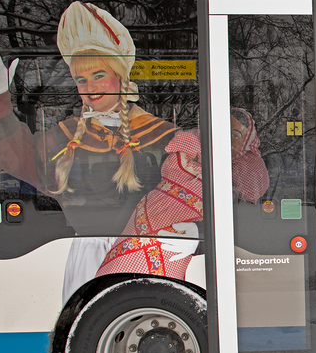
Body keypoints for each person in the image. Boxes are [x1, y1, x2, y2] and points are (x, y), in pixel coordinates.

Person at [0, 1, 178, 300]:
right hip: (87, 257)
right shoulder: (64, 137)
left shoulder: (163, 135)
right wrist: (0, 103)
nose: (90, 87)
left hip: (148, 253)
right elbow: (20, 160)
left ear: (120, 77)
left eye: (99, 75)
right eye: (81, 79)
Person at [95, 108, 269, 278]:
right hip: (152, 216)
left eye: (235, 135)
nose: (226, 139)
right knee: (124, 275)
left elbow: (254, 189)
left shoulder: (238, 169)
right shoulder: (189, 146)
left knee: (164, 284)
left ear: (245, 145)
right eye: (222, 129)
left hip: (182, 237)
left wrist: (199, 232)